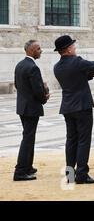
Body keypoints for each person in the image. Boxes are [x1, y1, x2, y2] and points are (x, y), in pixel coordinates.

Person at [53, 35, 94, 184]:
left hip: (67, 107)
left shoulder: (57, 67)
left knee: (71, 141)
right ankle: (82, 174)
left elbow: (73, 77)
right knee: (83, 140)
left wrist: (87, 75)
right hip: (82, 106)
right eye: (73, 46)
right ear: (68, 49)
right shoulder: (76, 61)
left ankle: (70, 175)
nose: (75, 48)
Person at [13, 40, 50, 181]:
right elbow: (37, 90)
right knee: (28, 139)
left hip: (22, 107)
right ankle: (20, 171)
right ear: (32, 50)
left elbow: (17, 85)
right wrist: (45, 97)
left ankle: (28, 166)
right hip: (31, 108)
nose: (41, 51)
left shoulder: (20, 65)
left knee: (29, 137)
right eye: (39, 49)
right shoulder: (33, 67)